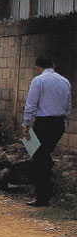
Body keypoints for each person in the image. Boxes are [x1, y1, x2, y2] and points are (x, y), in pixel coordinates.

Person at [22, 56, 72, 207]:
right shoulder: (65, 81)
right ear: (53, 65)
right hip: (58, 124)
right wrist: (64, 121)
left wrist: (26, 123)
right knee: (45, 155)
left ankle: (42, 196)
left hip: (43, 123)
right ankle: (46, 193)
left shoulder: (38, 81)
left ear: (38, 67)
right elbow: (68, 105)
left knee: (39, 158)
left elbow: (31, 104)